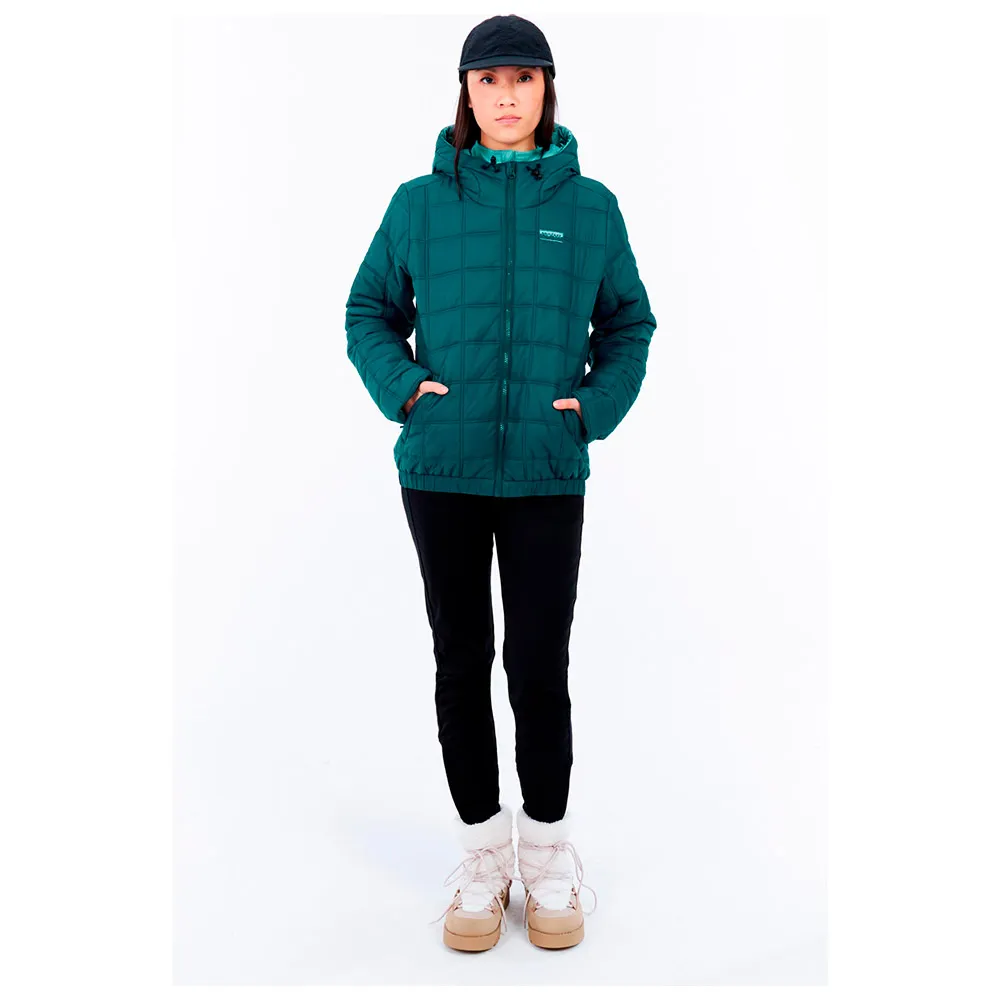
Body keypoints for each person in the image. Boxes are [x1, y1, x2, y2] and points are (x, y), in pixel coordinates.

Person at [345, 14, 656, 952]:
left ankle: (549, 857)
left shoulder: (591, 206)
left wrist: (589, 411)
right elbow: (368, 310)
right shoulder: (418, 203)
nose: (507, 96)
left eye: (523, 78)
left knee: (538, 664)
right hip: (440, 470)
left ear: (547, 89)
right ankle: (483, 857)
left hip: (546, 471)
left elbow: (629, 324)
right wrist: (406, 392)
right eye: (490, 80)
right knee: (460, 659)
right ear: (466, 91)